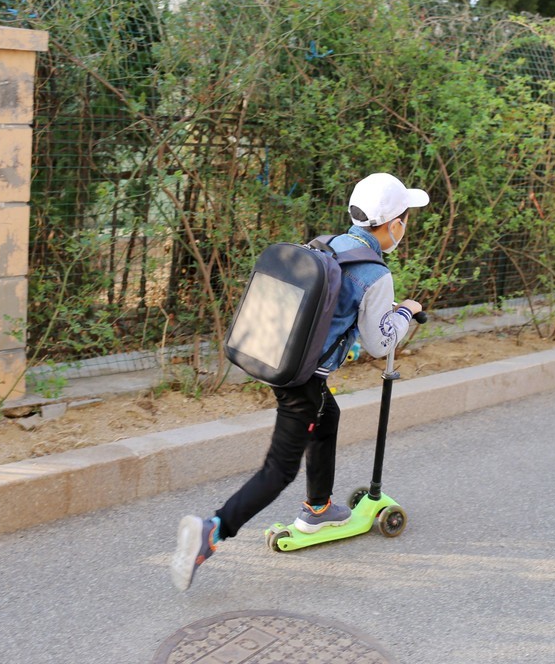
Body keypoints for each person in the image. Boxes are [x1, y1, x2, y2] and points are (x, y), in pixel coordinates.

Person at [170, 172, 429, 591]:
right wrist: (406, 312)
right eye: (404, 218)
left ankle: (320, 507)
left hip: (281, 357)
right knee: (279, 469)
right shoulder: (376, 274)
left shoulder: (331, 245)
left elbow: (338, 308)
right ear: (392, 223)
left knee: (328, 418)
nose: (405, 227)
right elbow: (380, 343)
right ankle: (212, 531)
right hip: (302, 380)